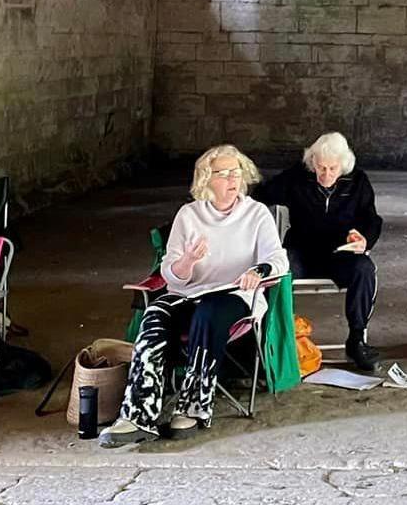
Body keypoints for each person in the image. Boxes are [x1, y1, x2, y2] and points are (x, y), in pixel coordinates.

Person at [101, 146, 288, 447]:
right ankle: (137, 415)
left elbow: (278, 259)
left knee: (209, 312)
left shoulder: (256, 214)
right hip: (189, 292)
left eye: (236, 172)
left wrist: (259, 270)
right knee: (156, 313)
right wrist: (186, 261)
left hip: (236, 295)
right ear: (205, 179)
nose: (232, 179)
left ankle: (194, 406)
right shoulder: (189, 215)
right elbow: (171, 274)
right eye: (222, 173)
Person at [251, 132, 384, 372]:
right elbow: (260, 196)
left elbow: (371, 219)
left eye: (332, 169)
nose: (326, 175)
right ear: (312, 162)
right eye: (320, 168)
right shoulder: (297, 177)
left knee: (365, 269)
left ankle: (356, 339)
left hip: (340, 253)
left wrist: (364, 239)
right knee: (276, 271)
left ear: (343, 165)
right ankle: (272, 340)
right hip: (301, 249)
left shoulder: (358, 181)